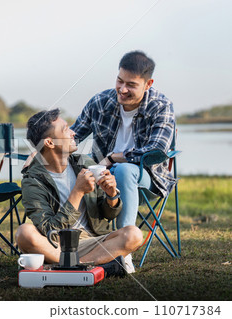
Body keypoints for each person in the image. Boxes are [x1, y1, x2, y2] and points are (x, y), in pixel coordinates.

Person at [15, 109, 142, 274]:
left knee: (134, 234)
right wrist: (78, 192)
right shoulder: (33, 181)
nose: (73, 133)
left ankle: (75, 265)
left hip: (93, 240)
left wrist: (112, 195)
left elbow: (109, 214)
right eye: (66, 129)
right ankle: (93, 266)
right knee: (24, 233)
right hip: (57, 246)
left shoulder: (84, 163)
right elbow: (50, 230)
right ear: (49, 143)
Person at [71, 51, 176, 229]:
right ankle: (68, 236)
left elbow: (156, 151)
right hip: (102, 175)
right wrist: (42, 150)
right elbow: (74, 135)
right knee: (73, 163)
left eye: (131, 85)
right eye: (120, 81)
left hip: (146, 179)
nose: (122, 89)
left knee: (124, 170)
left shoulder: (161, 106)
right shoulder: (100, 102)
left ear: (148, 84)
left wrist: (114, 158)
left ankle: (123, 248)